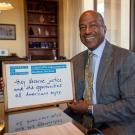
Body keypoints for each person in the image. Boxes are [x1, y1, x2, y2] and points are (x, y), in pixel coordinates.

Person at [65, 10, 135, 134]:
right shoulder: (75, 61)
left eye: (93, 25)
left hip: (114, 126)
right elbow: (70, 96)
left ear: (104, 29)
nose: (87, 31)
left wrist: (89, 108)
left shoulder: (126, 58)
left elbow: (131, 105)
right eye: (82, 27)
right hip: (80, 123)